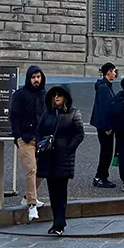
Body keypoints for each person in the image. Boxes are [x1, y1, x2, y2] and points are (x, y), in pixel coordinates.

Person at [35, 84, 84, 236]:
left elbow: (79, 134)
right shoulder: (47, 113)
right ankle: (56, 221)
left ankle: (59, 223)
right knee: (52, 190)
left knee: (61, 190)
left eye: (59, 95)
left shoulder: (73, 113)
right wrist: (41, 143)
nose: (56, 98)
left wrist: (69, 148)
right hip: (48, 156)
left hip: (63, 157)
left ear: (65, 98)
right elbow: (39, 130)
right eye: (54, 95)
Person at [5, 65, 47, 221]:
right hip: (26, 137)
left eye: (38, 77)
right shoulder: (20, 94)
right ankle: (32, 205)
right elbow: (13, 116)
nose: (36, 80)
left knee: (42, 170)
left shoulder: (44, 94)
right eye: (33, 77)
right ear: (29, 78)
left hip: (41, 137)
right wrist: (18, 136)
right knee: (30, 169)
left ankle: (28, 197)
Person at [90, 61, 118, 188]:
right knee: (106, 152)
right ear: (109, 72)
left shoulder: (106, 86)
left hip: (105, 124)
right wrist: (108, 127)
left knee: (106, 151)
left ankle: (101, 176)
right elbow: (104, 108)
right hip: (104, 126)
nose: (115, 74)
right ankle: (100, 177)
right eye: (114, 71)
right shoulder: (104, 88)